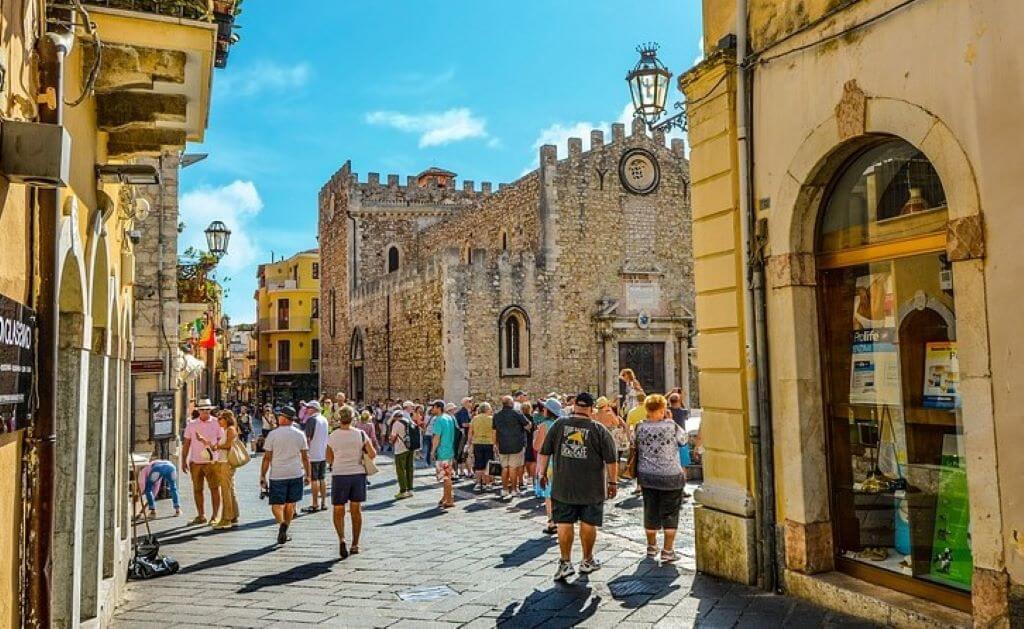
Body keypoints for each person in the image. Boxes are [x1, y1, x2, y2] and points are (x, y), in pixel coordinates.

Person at [538, 392, 618, 581]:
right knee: (588, 523)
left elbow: (544, 452)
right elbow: (611, 460)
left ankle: (565, 562)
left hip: (563, 485)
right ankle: (587, 560)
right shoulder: (599, 429)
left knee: (564, 523)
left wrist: (541, 474)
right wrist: (613, 482)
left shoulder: (559, 425)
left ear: (574, 406)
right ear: (591, 409)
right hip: (592, 487)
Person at [634, 394, 688, 563]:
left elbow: (633, 443)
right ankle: (667, 551)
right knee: (670, 513)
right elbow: (684, 440)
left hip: (647, 476)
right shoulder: (671, 426)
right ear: (662, 409)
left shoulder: (639, 427)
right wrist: (671, 421)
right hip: (670, 476)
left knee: (650, 510)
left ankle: (651, 547)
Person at [326, 405, 377, 557]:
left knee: (338, 509)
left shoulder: (333, 436)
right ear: (353, 418)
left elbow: (329, 458)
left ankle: (342, 539)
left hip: (340, 474)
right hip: (357, 474)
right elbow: (373, 454)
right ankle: (355, 544)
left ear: (338, 419)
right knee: (356, 510)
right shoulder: (360, 434)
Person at [259, 406, 311, 545]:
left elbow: (267, 458)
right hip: (295, 473)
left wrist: (262, 475)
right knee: (290, 503)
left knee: (276, 504)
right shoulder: (300, 434)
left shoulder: (273, 435)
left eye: (279, 416)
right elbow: (305, 457)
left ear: (283, 418)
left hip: (278, 474)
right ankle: (285, 528)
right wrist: (308, 475)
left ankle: (282, 524)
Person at [181, 399, 224, 525]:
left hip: (213, 462)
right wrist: (183, 460)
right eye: (202, 410)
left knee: (215, 488)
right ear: (198, 410)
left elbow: (221, 441)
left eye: (207, 409)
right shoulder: (192, 424)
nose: (205, 412)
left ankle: (215, 516)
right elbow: (186, 443)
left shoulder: (217, 423)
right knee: (197, 489)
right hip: (196, 462)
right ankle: (201, 515)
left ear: (210, 410)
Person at [202, 410, 240, 529]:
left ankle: (226, 519)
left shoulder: (230, 430)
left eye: (220, 419)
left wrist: (217, 446)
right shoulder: (227, 430)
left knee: (226, 491)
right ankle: (234, 516)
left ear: (226, 419)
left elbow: (229, 445)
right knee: (230, 490)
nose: (218, 421)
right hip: (224, 462)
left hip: (226, 463)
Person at [492, 395, 531, 501]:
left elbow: (494, 431)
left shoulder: (496, 415)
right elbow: (528, 425)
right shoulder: (517, 413)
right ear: (511, 403)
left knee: (505, 468)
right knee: (513, 468)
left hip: (502, 445)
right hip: (516, 444)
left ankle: (504, 489)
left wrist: (495, 444)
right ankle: (514, 489)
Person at [533, 399, 563, 535]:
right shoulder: (563, 424)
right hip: (562, 461)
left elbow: (537, 446)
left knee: (549, 493)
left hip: (548, 462)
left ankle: (552, 522)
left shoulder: (544, 425)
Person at [302, 401, 330, 514]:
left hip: (314, 453)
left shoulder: (312, 420)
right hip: (323, 453)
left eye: (308, 408)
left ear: (313, 409)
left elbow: (307, 438)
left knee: (314, 479)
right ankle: (324, 502)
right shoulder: (324, 419)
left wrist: (305, 452)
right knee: (322, 478)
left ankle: (315, 504)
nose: (307, 410)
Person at [429, 400, 458, 509]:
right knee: (446, 475)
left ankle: (449, 499)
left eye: (433, 407)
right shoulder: (449, 418)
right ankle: (445, 497)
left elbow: (437, 437)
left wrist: (432, 451)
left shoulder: (439, 420)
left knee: (446, 476)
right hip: (449, 449)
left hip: (443, 451)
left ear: (438, 407)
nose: (432, 410)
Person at [389, 404, 416, 499]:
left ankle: (403, 490)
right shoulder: (409, 421)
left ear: (395, 417)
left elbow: (393, 437)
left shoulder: (396, 423)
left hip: (400, 449)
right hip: (410, 448)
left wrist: (390, 440)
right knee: (409, 468)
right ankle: (410, 489)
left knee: (400, 470)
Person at [468, 402, 495, 492]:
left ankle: (478, 483)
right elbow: (494, 432)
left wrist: (469, 443)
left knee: (478, 464)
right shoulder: (491, 419)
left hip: (477, 442)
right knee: (488, 464)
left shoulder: (474, 419)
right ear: (488, 409)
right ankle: (487, 483)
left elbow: (470, 432)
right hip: (489, 443)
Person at [595, 396, 630, 461]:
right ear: (606, 405)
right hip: (611, 439)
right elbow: (616, 423)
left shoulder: (595, 414)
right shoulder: (609, 414)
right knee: (614, 459)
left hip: (600, 438)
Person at [455, 397, 474, 479]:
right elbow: (464, 424)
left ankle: (462, 471)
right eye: (470, 401)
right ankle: (461, 471)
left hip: (462, 435)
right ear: (465, 403)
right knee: (463, 453)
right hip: (463, 436)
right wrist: (473, 424)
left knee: (463, 453)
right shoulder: (464, 412)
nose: (471, 403)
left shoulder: (465, 412)